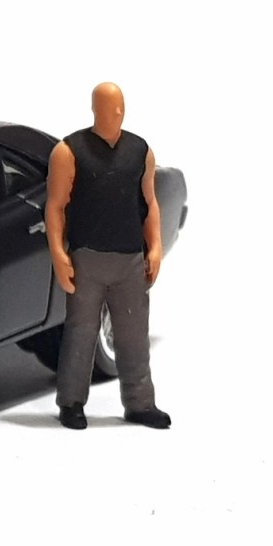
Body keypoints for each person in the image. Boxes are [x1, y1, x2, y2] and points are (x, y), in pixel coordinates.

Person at [45, 82, 171, 430]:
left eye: (118, 107)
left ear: (123, 110)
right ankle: (71, 402)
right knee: (81, 333)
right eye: (106, 107)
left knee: (133, 335)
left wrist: (155, 246)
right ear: (94, 109)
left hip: (130, 260)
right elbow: (55, 207)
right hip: (86, 258)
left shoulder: (140, 151)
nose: (114, 113)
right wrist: (58, 253)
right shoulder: (69, 151)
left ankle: (140, 403)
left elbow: (149, 203)